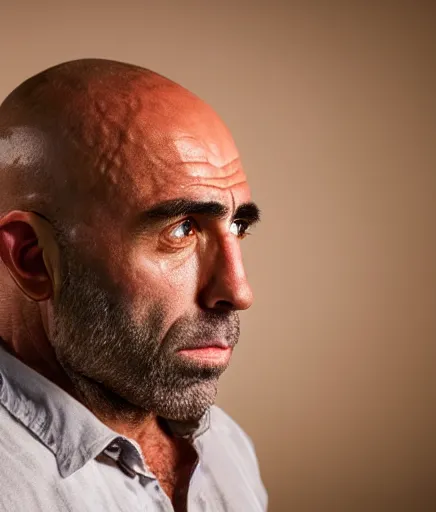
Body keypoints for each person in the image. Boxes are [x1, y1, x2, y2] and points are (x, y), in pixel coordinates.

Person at [0, 59, 267, 512]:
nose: (238, 291)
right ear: (33, 259)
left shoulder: (225, 447)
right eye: (181, 229)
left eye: (238, 225)